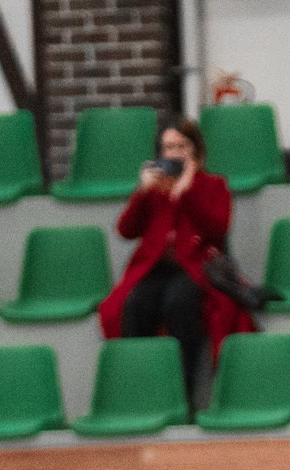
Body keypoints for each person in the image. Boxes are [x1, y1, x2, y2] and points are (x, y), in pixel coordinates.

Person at [97, 116, 255, 401]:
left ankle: (182, 392)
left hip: (195, 268)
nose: (175, 153)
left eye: (182, 146)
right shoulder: (154, 189)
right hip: (156, 268)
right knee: (135, 305)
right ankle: (141, 392)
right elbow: (126, 230)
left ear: (195, 150)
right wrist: (143, 191)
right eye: (169, 147)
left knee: (178, 303)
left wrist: (187, 190)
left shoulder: (213, 185)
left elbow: (217, 228)